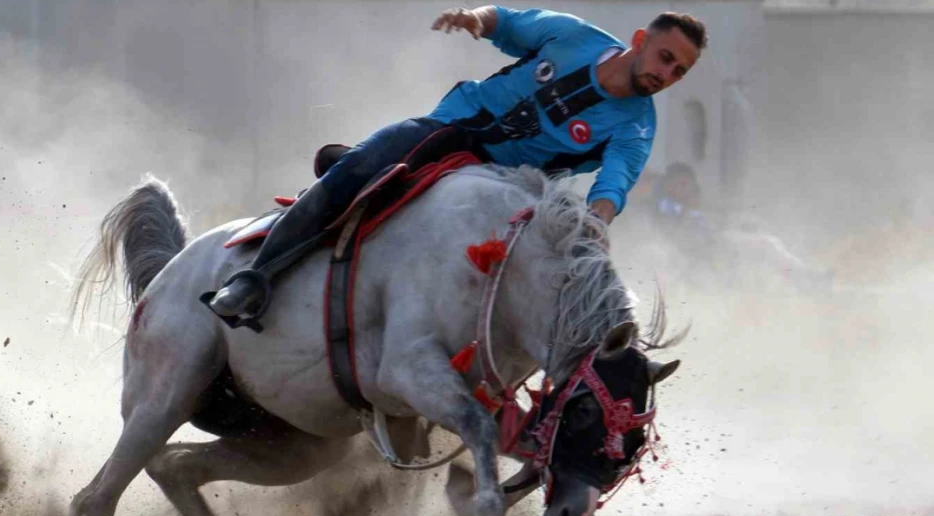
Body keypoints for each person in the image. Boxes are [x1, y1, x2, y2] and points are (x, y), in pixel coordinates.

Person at [207, 5, 707, 323]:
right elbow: (506, 22)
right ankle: (254, 279)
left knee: (540, 279)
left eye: (680, 71)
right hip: (455, 129)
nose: (667, 74)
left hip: (511, 187)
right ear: (640, 40)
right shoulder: (575, 35)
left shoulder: (637, 125)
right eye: (664, 57)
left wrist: (597, 223)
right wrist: (473, 18)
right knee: (360, 166)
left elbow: (614, 183)